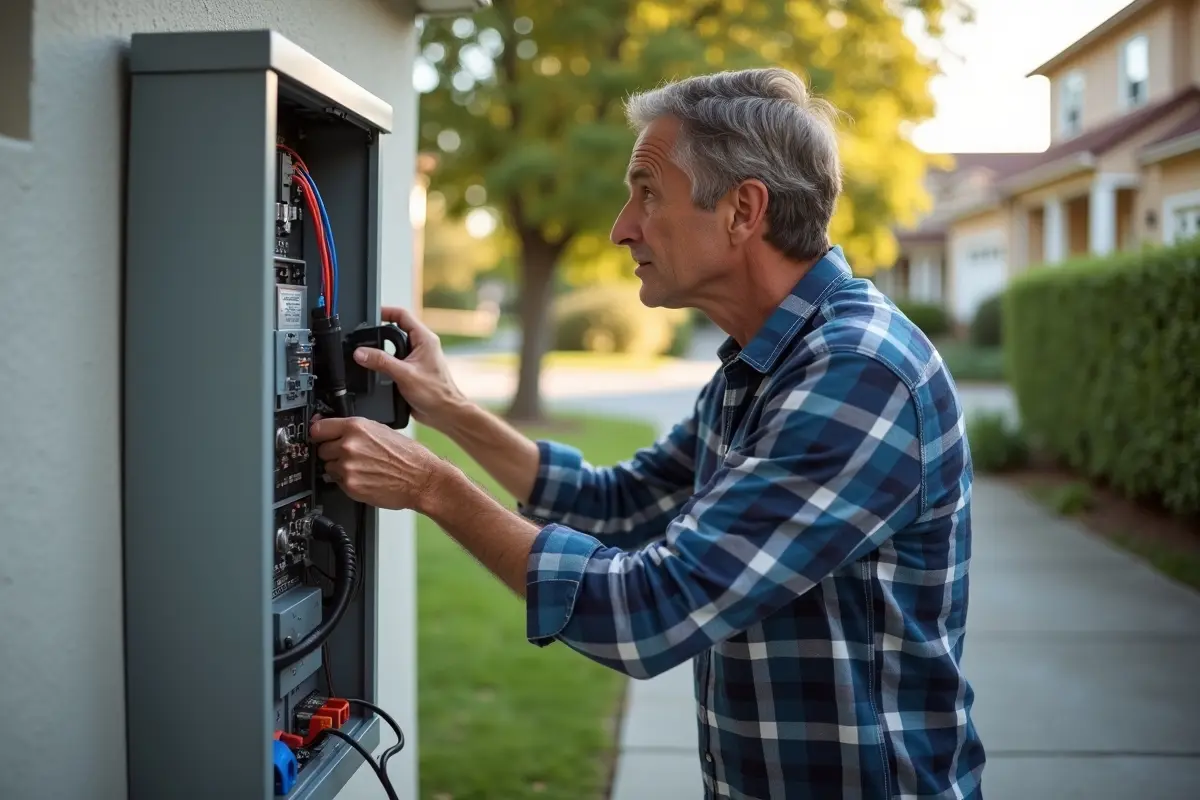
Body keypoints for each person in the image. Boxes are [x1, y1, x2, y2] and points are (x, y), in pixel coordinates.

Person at [310, 67, 986, 799]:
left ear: (742, 210)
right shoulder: (765, 364)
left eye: (648, 192)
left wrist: (432, 486)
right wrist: (449, 409)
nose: (621, 227)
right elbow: (620, 504)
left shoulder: (857, 374)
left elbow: (647, 610)